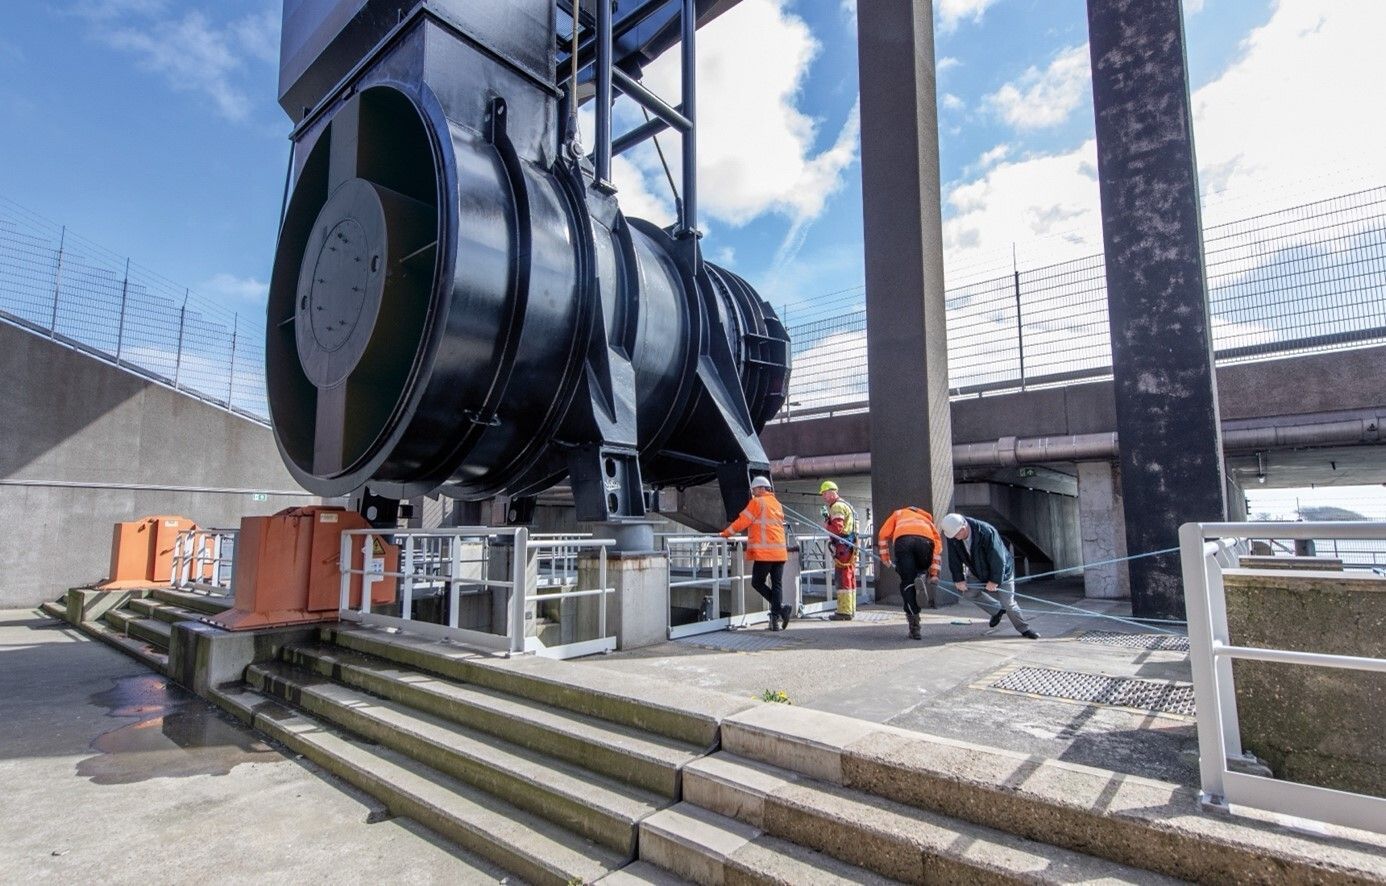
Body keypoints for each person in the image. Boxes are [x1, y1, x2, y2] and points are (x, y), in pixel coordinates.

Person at [938, 513, 1040, 640]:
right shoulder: (953, 535)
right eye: (953, 536)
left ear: (963, 528)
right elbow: (954, 558)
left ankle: (1024, 629)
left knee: (1008, 603)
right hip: (977, 571)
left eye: (957, 535)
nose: (956, 538)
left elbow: (998, 558)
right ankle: (997, 610)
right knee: (969, 593)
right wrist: (958, 578)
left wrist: (995, 580)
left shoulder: (986, 532)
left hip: (1002, 571)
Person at [720, 476, 791, 631]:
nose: (752, 492)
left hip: (765, 553)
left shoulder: (757, 502)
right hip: (779, 552)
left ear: (760, 489)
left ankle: (781, 609)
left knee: (757, 583)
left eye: (754, 490)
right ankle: (775, 620)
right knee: (777, 585)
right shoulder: (777, 504)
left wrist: (725, 533)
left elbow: (742, 521)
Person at [876, 506, 942, 640]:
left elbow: (883, 534)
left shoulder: (898, 513)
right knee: (920, 571)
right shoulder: (927, 520)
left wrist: (885, 559)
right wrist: (934, 573)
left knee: (907, 583)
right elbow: (937, 549)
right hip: (925, 543)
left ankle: (914, 626)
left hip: (903, 541)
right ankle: (921, 575)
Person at [819, 480, 858, 621]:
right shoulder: (846, 505)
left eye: (824, 493)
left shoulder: (836, 508)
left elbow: (837, 529)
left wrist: (826, 523)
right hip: (850, 546)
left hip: (843, 548)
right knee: (850, 577)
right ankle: (850, 609)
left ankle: (844, 612)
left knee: (843, 578)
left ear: (831, 493)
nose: (823, 497)